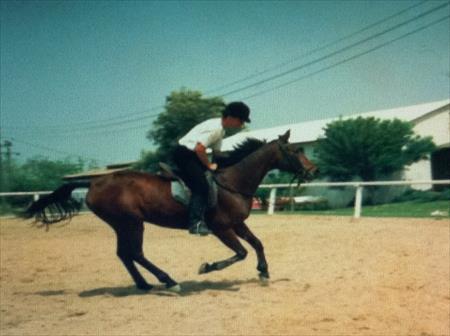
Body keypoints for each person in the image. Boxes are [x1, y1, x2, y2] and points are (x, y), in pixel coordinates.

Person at [172, 101, 251, 235]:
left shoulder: (220, 130)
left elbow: (217, 153)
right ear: (231, 117)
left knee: (211, 180)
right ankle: (195, 223)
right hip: (185, 154)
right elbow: (199, 148)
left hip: (191, 154)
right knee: (202, 186)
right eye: (241, 120)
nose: (242, 124)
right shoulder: (216, 129)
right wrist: (208, 165)